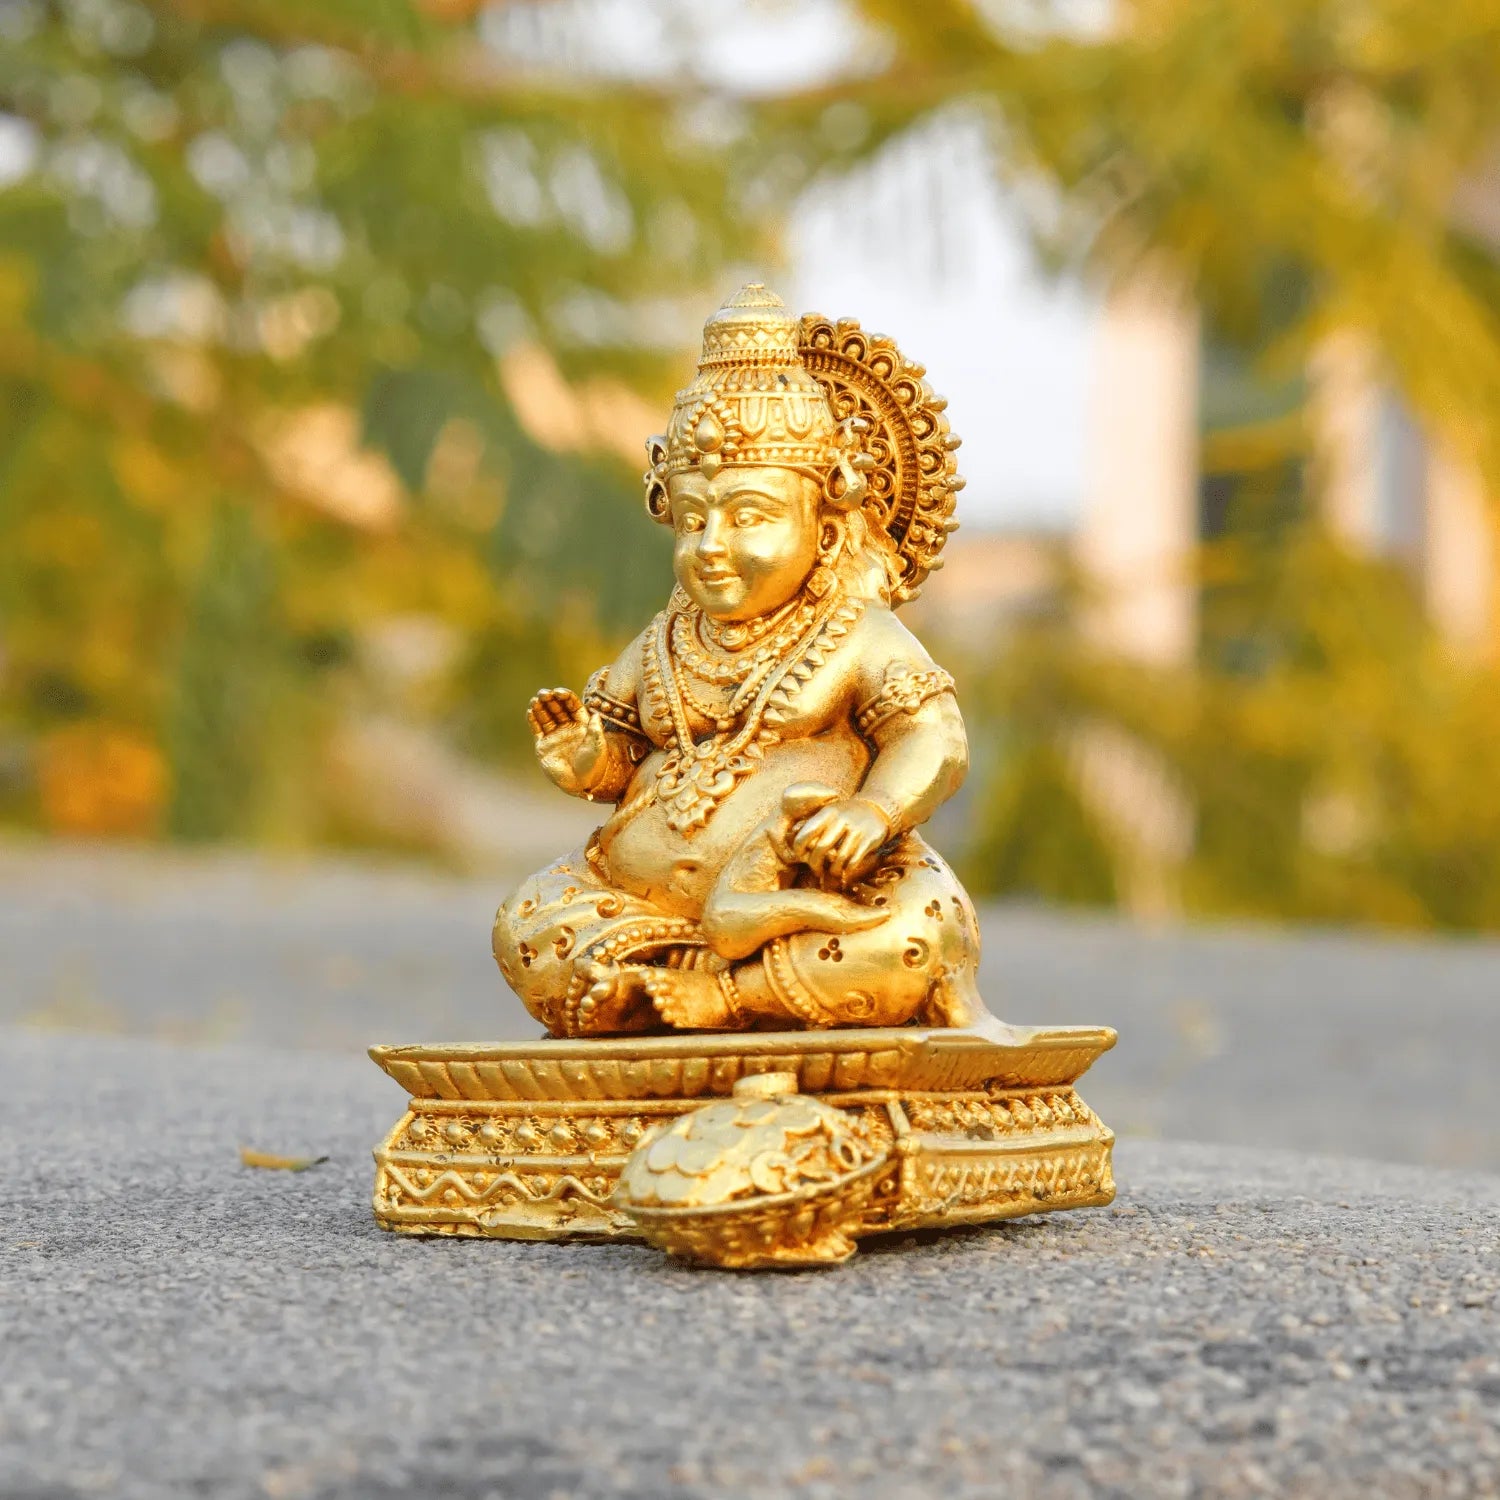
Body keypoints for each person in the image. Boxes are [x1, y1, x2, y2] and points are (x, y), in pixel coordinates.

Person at [493, 284, 987, 1037]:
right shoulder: (667, 638)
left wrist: (873, 810)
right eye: (693, 519)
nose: (712, 547)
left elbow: (935, 738)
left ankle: (728, 999)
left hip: (804, 905)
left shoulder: (860, 631)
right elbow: (620, 757)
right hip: (640, 905)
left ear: (827, 526)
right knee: (525, 923)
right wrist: (585, 758)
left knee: (918, 932)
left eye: (750, 516)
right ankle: (640, 986)